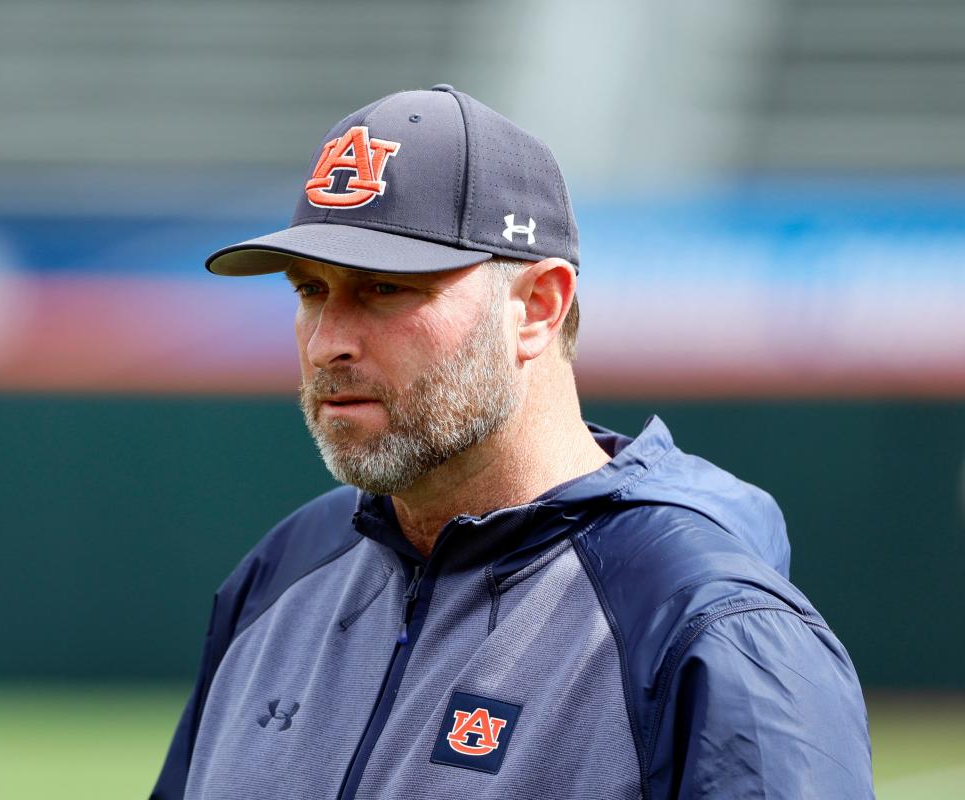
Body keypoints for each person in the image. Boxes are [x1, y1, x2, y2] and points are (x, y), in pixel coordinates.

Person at [149, 85, 874, 799]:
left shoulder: (703, 626)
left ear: (537, 307)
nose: (328, 342)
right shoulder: (285, 572)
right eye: (310, 290)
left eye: (384, 289)